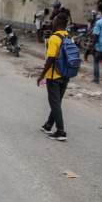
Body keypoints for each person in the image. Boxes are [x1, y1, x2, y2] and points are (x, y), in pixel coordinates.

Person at [37, 13, 71, 141]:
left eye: (54, 20)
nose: (52, 21)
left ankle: (61, 131)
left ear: (57, 23)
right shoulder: (68, 36)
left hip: (54, 75)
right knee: (57, 102)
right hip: (66, 74)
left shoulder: (54, 38)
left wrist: (41, 75)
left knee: (55, 103)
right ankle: (48, 125)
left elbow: (50, 58)